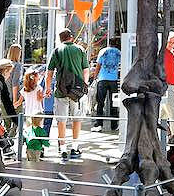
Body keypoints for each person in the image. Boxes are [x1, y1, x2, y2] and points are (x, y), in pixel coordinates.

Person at [45, 29, 89, 160]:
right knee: (77, 119)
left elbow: (49, 73)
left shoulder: (57, 51)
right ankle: (74, 148)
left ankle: (63, 150)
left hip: (61, 91)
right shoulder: (80, 50)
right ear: (71, 37)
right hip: (77, 92)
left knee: (61, 121)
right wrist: (84, 85)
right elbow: (86, 70)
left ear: (60, 39)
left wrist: (48, 88)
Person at [91, 37, 121, 133]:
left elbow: (98, 65)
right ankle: (114, 125)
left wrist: (95, 77)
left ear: (109, 43)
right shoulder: (119, 52)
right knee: (114, 103)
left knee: (100, 103)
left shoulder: (103, 51)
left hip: (102, 79)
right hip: (114, 80)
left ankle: (99, 124)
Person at [160, 31, 174, 137]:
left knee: (162, 115)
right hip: (166, 86)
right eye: (170, 42)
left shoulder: (171, 54)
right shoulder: (163, 53)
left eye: (173, 42)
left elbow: (172, 72)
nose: (172, 44)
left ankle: (168, 137)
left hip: (169, 86)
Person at [6, 44, 23, 109]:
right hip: (14, 98)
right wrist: (15, 101)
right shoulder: (17, 66)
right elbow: (15, 83)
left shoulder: (5, 65)